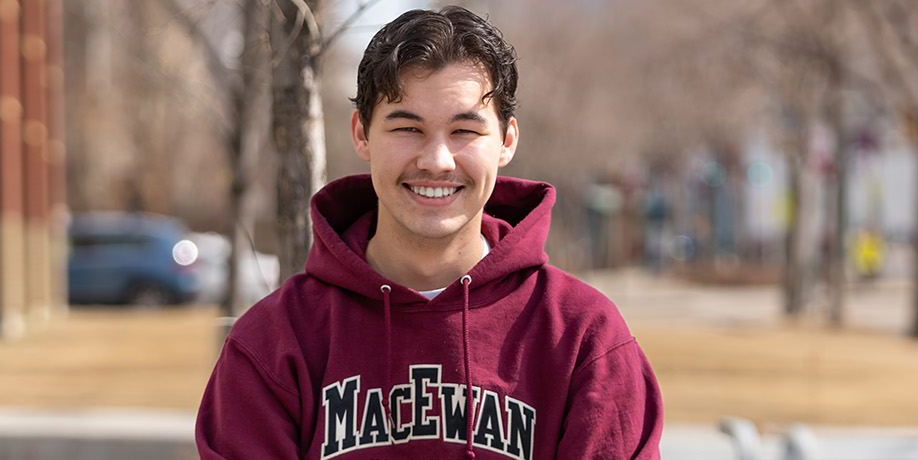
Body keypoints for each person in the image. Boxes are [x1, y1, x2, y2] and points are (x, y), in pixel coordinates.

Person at [196, 6, 664, 459]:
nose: (437, 160)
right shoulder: (273, 343)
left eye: (464, 131)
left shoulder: (585, 337)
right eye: (407, 127)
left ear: (506, 141)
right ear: (361, 134)